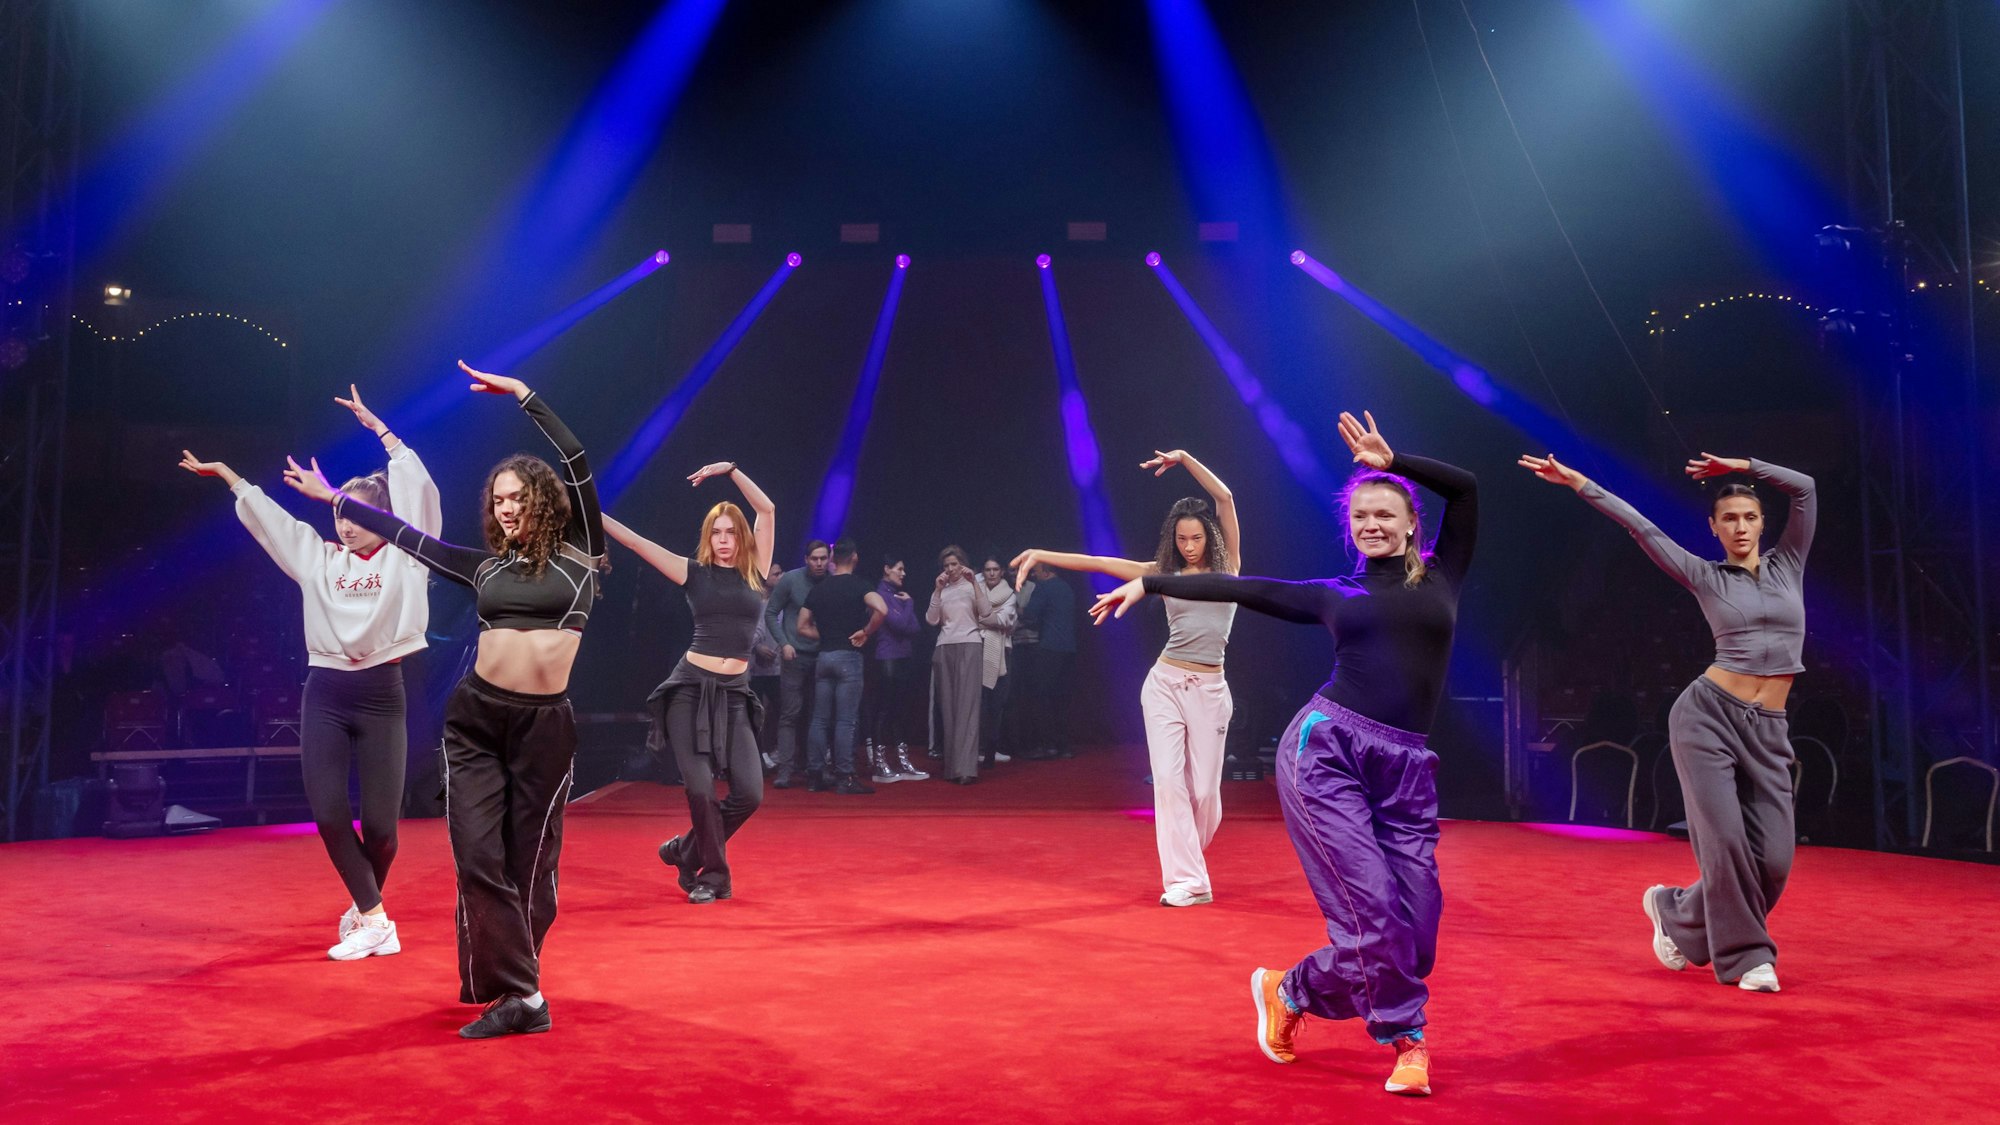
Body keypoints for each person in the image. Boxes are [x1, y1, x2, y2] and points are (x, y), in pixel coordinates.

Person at [1089, 413, 1472, 1097]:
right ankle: (1407, 1040)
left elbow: (1466, 489)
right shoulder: (1337, 593)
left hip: (1407, 766)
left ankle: (1289, 989)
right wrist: (1153, 583)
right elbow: (1247, 587)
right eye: (1361, 516)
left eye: (1385, 514)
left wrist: (1394, 462)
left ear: (1412, 524)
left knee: (1415, 939)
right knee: (1372, 910)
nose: (1372, 524)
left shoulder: (1444, 575)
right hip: (1326, 753)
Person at [282, 360, 604, 1040]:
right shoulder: (483, 567)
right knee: (478, 856)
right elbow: (409, 537)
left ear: (544, 501)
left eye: (518, 497)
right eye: (498, 500)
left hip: (544, 729)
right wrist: (335, 498)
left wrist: (525, 396)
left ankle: (515, 982)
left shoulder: (582, 556)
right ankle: (521, 994)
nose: (505, 508)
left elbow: (576, 459)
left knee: (530, 866)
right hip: (476, 721)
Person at [1520, 449, 1815, 994]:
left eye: (1750, 517)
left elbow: (1805, 487)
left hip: (1769, 728)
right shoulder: (1704, 574)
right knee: (1725, 845)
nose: (1741, 526)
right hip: (1707, 719)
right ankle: (1748, 957)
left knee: (1774, 858)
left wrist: (1743, 468)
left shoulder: (1788, 563)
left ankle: (1673, 909)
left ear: (1762, 523)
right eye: (1729, 518)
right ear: (1714, 528)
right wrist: (1580, 482)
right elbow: (1641, 527)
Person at [179, 384, 438, 961]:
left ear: (386, 519)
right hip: (326, 694)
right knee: (327, 812)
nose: (345, 525)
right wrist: (232, 478)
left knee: (383, 828)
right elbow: (275, 524)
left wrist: (383, 433)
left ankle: (367, 910)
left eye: (355, 514)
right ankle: (376, 919)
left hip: (384, 695)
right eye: (338, 513)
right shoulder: (319, 560)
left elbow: (419, 497)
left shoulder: (408, 558)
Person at [1014, 449, 1241, 906]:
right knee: (1169, 784)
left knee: (1204, 793)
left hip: (1210, 690)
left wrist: (1185, 459)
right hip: (1164, 685)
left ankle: (1188, 861)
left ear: (1210, 537)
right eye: (1181, 539)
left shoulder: (1228, 569)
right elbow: (1100, 561)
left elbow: (1225, 498)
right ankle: (1188, 882)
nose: (1189, 546)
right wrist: (1041, 554)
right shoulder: (1161, 573)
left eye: (1196, 538)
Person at [599, 462, 775, 904]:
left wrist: (731, 470)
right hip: (689, 690)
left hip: (734, 694)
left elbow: (767, 509)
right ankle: (713, 877)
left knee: (750, 793)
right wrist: (589, 510)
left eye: (730, 532)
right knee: (700, 789)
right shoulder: (691, 571)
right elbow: (635, 542)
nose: (723, 539)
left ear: (742, 537)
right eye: (716, 532)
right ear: (707, 538)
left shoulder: (756, 571)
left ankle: (684, 850)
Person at [798, 538, 890, 794]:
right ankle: (845, 777)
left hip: (824, 657)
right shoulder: (860, 585)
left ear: (832, 559)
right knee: (845, 720)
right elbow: (882, 609)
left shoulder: (819, 589)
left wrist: (826, 636)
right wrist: (866, 631)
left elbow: (801, 626)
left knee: (819, 719)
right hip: (849, 656)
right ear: (855, 557)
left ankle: (815, 775)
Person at [927, 545, 996, 784]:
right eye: (946, 565)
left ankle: (966, 768)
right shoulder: (942, 590)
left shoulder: (972, 586)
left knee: (968, 707)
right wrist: (937, 590)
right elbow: (932, 619)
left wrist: (975, 583)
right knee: (948, 708)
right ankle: (952, 767)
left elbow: (986, 613)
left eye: (954, 564)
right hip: (944, 646)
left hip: (969, 644)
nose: (950, 569)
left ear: (962, 565)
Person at [765, 541, 830, 788]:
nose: (819, 563)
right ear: (806, 559)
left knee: (819, 715)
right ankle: (785, 770)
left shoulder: (831, 581)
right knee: (790, 713)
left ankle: (817, 768)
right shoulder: (791, 579)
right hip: (794, 655)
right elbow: (771, 612)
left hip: (822, 655)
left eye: (823, 558)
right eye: (814, 558)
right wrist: (783, 643)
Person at [865, 555, 927, 783]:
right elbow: (900, 624)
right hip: (887, 658)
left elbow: (915, 628)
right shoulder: (880, 594)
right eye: (899, 569)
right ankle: (880, 763)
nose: (903, 573)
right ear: (887, 569)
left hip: (903, 657)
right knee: (884, 709)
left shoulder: (897, 596)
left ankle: (902, 760)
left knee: (901, 710)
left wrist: (905, 611)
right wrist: (909, 605)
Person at [1016, 562, 1077, 759]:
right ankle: (1064, 746)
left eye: (1036, 571)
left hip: (1049, 647)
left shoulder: (1043, 588)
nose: (1033, 575)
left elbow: (1030, 614)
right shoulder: (1066, 587)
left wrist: (1017, 609)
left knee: (1042, 697)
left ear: (1046, 570)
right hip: (1069, 648)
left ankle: (1047, 745)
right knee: (1062, 698)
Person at [975, 557, 1019, 767]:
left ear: (1002, 571)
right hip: (975, 647)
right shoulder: (975, 587)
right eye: (987, 569)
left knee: (996, 703)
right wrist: (990, 618)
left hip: (1001, 651)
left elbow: (1003, 620)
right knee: (977, 702)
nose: (991, 573)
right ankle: (976, 748)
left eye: (995, 569)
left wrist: (979, 618)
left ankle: (991, 750)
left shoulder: (1009, 594)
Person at [750, 563, 785, 769]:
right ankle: (759, 753)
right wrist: (757, 648)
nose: (781, 577)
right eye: (776, 574)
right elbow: (744, 631)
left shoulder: (781, 601)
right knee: (756, 712)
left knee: (780, 709)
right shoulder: (752, 601)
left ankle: (775, 749)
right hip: (754, 667)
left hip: (777, 666)